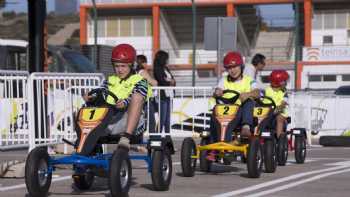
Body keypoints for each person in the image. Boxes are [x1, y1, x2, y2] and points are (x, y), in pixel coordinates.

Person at [83, 43, 150, 150]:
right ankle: (82, 143)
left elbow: (137, 96)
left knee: (137, 97)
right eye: (117, 66)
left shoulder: (140, 81)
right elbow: (101, 91)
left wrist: (125, 102)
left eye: (123, 66)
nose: (119, 70)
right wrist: (90, 96)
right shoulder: (110, 80)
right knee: (81, 110)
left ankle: (126, 138)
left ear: (131, 65)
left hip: (131, 123)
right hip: (109, 119)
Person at [207, 51, 260, 161]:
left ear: (241, 66)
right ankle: (214, 147)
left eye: (235, 66)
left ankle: (246, 127)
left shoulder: (249, 80)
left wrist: (248, 94)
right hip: (226, 112)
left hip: (241, 112)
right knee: (214, 112)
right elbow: (218, 89)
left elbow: (257, 93)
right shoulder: (224, 80)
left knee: (249, 101)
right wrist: (218, 92)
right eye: (229, 67)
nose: (233, 70)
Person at [261, 70, 289, 139]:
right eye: (284, 81)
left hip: (278, 112)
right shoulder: (265, 90)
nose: (286, 83)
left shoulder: (284, 93)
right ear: (277, 82)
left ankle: (279, 139)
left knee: (279, 118)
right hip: (265, 112)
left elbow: (283, 104)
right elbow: (259, 99)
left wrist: (276, 110)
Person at [153, 50, 176, 133]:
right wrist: (170, 81)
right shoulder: (157, 69)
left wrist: (170, 80)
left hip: (169, 95)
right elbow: (162, 81)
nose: (167, 60)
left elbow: (173, 81)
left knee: (168, 119)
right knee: (162, 118)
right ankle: (157, 136)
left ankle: (167, 136)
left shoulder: (165, 68)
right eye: (166, 58)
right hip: (162, 96)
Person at [135, 54, 157, 134]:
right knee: (151, 120)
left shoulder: (135, 72)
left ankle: (139, 136)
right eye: (146, 62)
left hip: (138, 98)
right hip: (146, 99)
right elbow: (153, 83)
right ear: (143, 63)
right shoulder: (142, 72)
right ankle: (153, 138)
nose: (147, 64)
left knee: (140, 119)